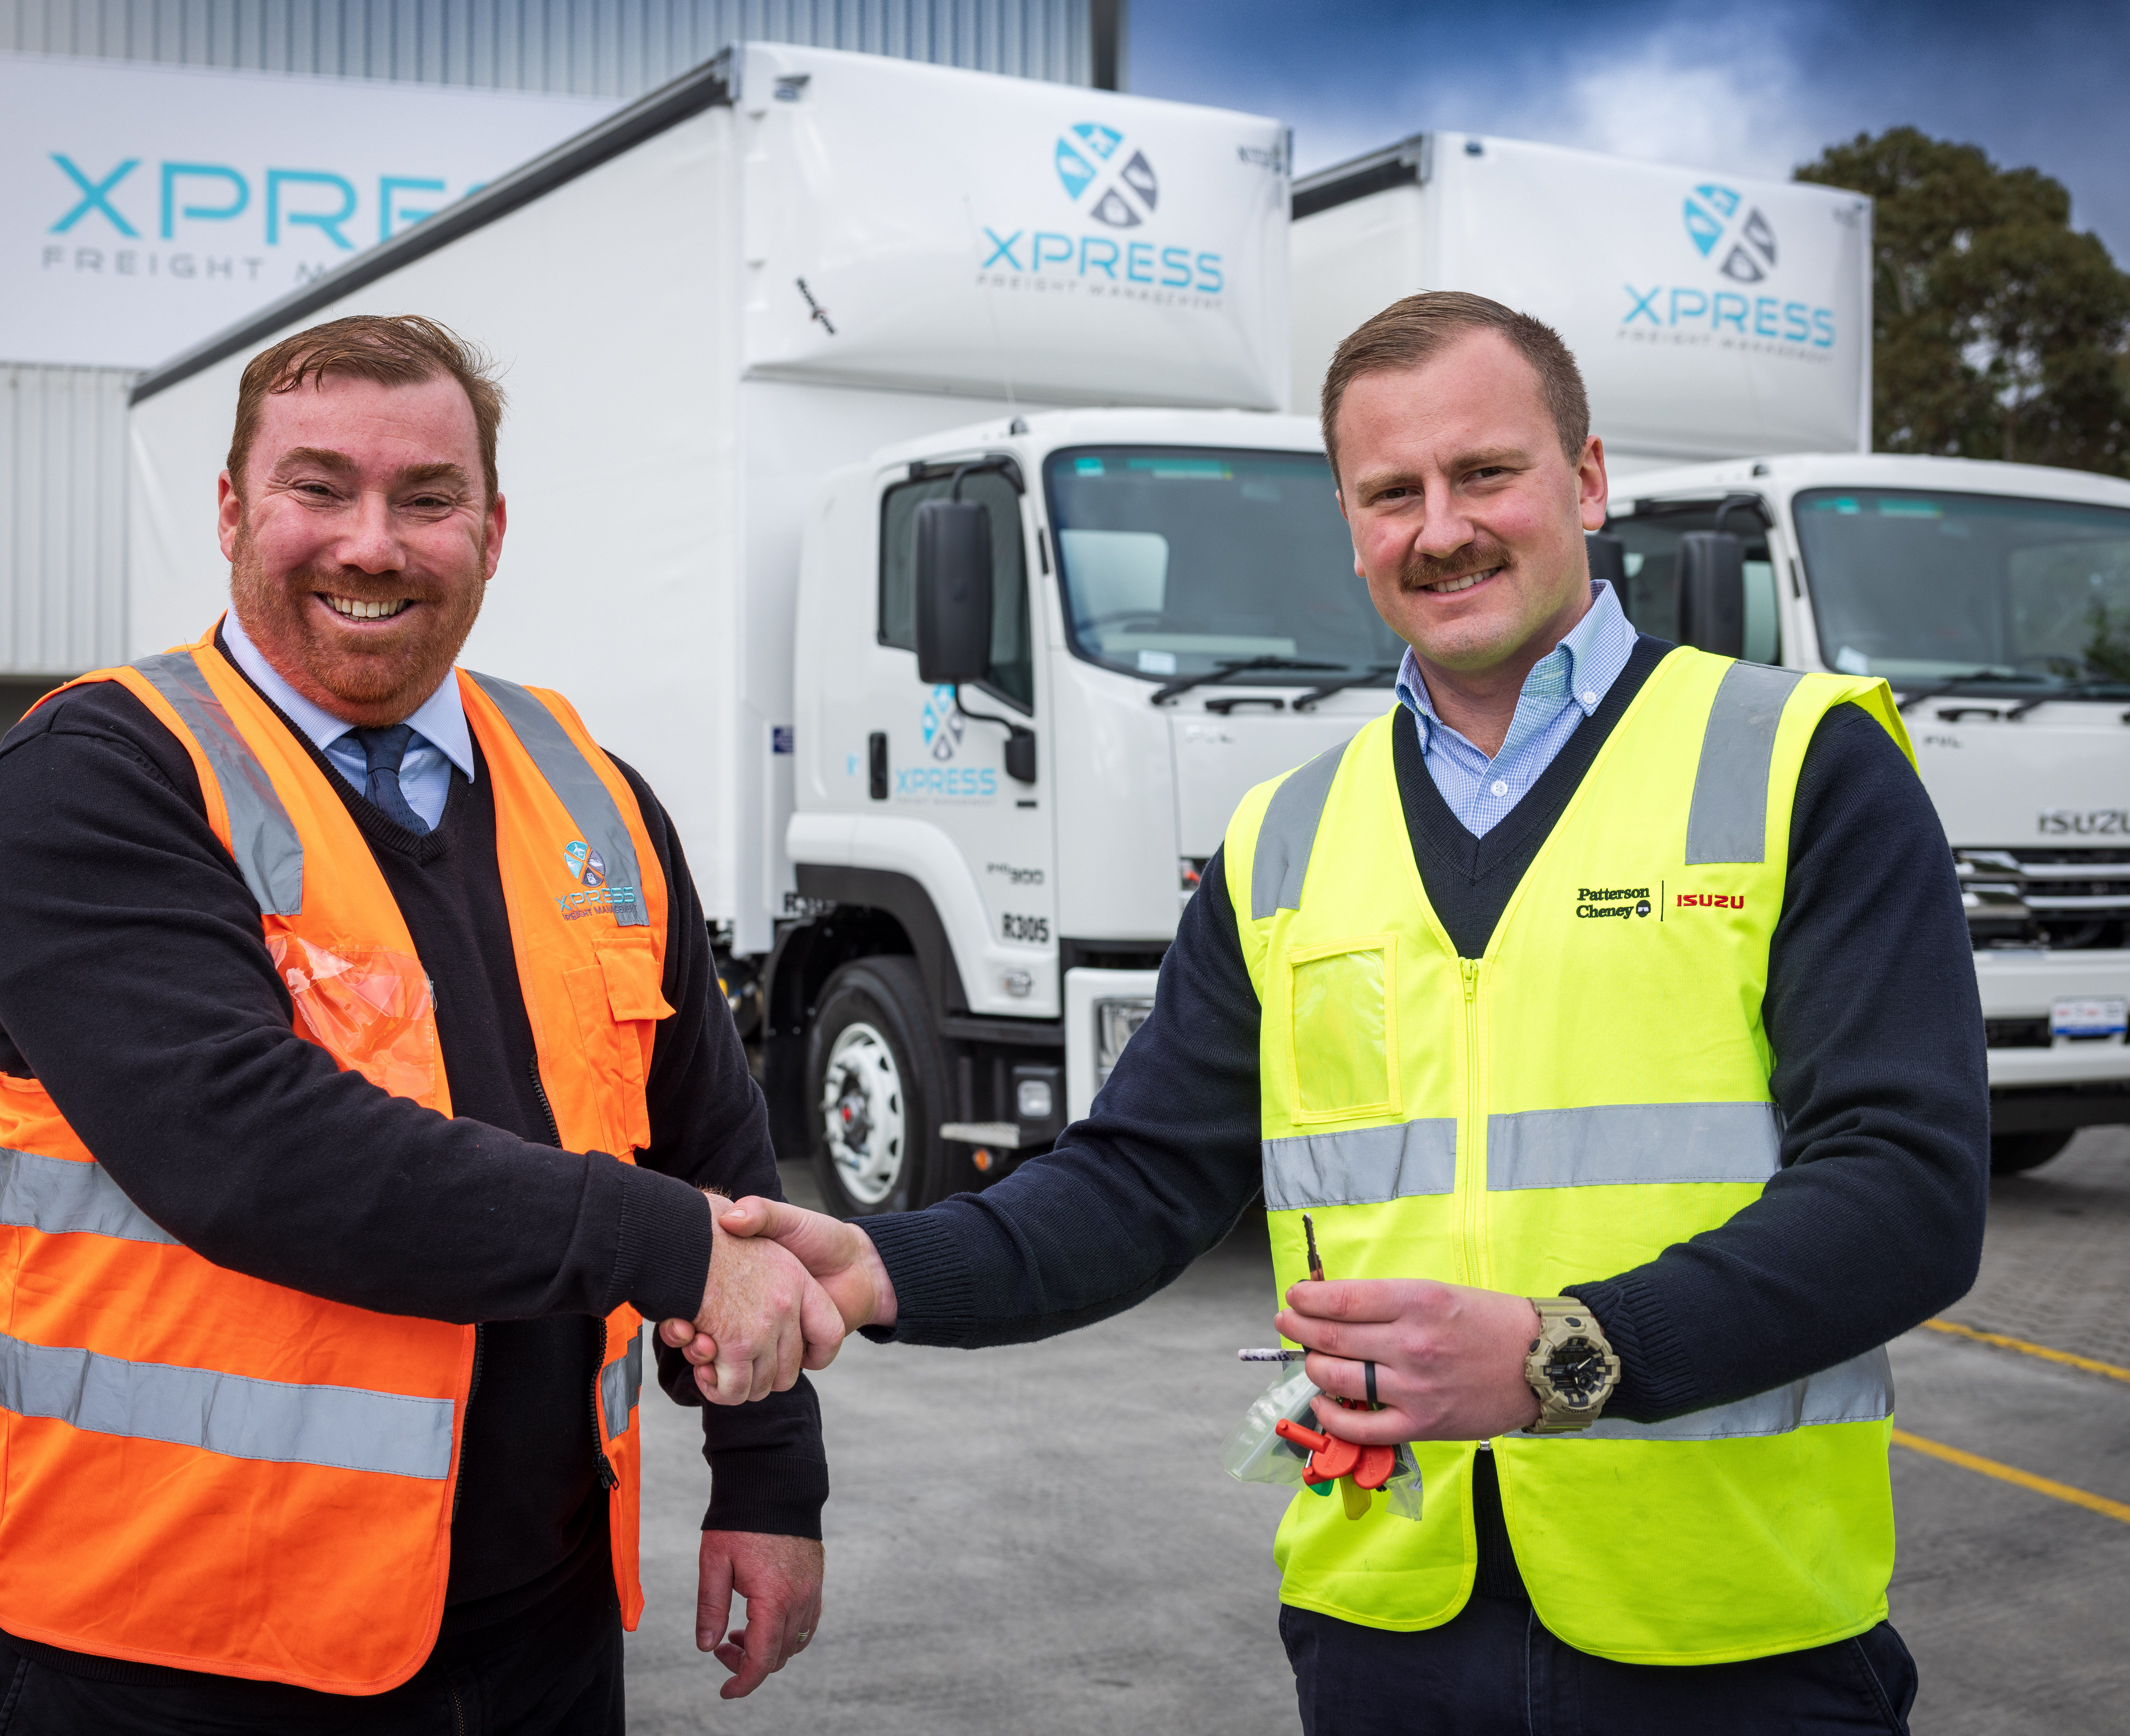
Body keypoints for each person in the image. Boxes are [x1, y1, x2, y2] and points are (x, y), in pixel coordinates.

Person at [680, 291, 1989, 1732]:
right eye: (1391, 493)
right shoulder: (1287, 837)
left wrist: (1569, 1349)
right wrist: (878, 1263)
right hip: (1387, 1626)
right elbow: (1140, 1178)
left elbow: (1905, 1190)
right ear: (1352, 524)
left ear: (1589, 478)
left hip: (1730, 1630)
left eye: (1484, 473)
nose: (1440, 529)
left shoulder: (1797, 762)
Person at [0, 314, 841, 1734]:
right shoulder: (101, 776)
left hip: (534, 1628)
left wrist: (767, 1473)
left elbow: (711, 1143)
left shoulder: (591, 792)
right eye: (319, 488)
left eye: (426, 499)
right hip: (164, 1643)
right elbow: (252, 1150)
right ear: (235, 512)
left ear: (492, 531)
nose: (372, 543)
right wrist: (665, 1247)